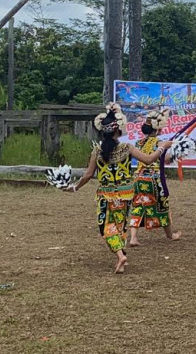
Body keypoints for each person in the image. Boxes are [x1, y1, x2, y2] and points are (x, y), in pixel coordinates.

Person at [66, 103, 172, 274]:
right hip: (126, 194)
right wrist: (162, 148)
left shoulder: (97, 151)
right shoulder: (127, 147)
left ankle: (120, 256)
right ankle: (121, 252)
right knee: (120, 224)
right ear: (118, 130)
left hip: (106, 196)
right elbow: (149, 159)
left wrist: (75, 188)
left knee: (106, 227)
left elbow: (87, 175)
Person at [128, 109, 180, 247]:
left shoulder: (139, 143)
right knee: (162, 205)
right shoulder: (159, 143)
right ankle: (170, 235)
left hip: (139, 178)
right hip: (154, 179)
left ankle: (133, 237)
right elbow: (166, 159)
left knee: (138, 206)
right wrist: (176, 153)